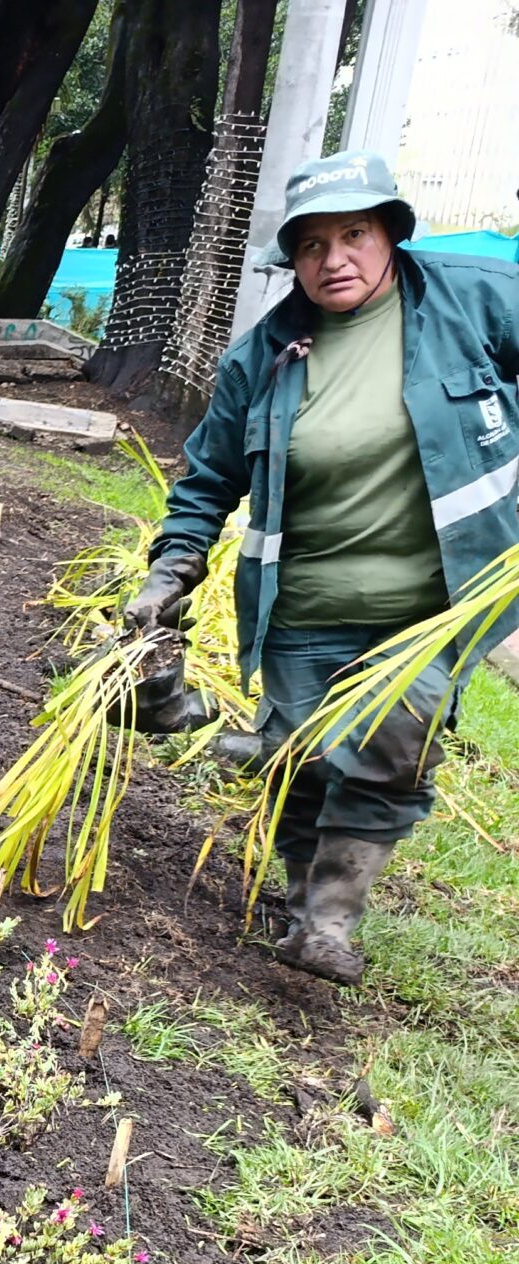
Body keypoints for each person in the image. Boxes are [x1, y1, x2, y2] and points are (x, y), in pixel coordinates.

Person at [121, 150, 519, 985]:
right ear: (291, 259)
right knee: (302, 759)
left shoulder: (474, 298)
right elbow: (208, 478)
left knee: (394, 748)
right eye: (311, 245)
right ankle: (301, 908)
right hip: (301, 601)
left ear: (388, 235)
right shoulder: (262, 355)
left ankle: (332, 919)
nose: (334, 259)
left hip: (432, 604)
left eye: (354, 234)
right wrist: (172, 571)